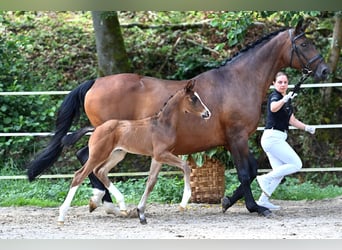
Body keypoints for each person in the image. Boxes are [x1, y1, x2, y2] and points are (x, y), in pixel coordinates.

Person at [256, 71, 316, 210]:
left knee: (279, 172)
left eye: (285, 82)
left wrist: (307, 128)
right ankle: (264, 178)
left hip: (275, 138)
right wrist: (284, 99)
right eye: (280, 82)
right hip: (272, 138)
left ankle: (263, 200)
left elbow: (292, 120)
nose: (283, 85)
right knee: (296, 164)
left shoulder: (286, 99)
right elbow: (273, 107)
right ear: (274, 84)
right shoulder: (275, 96)